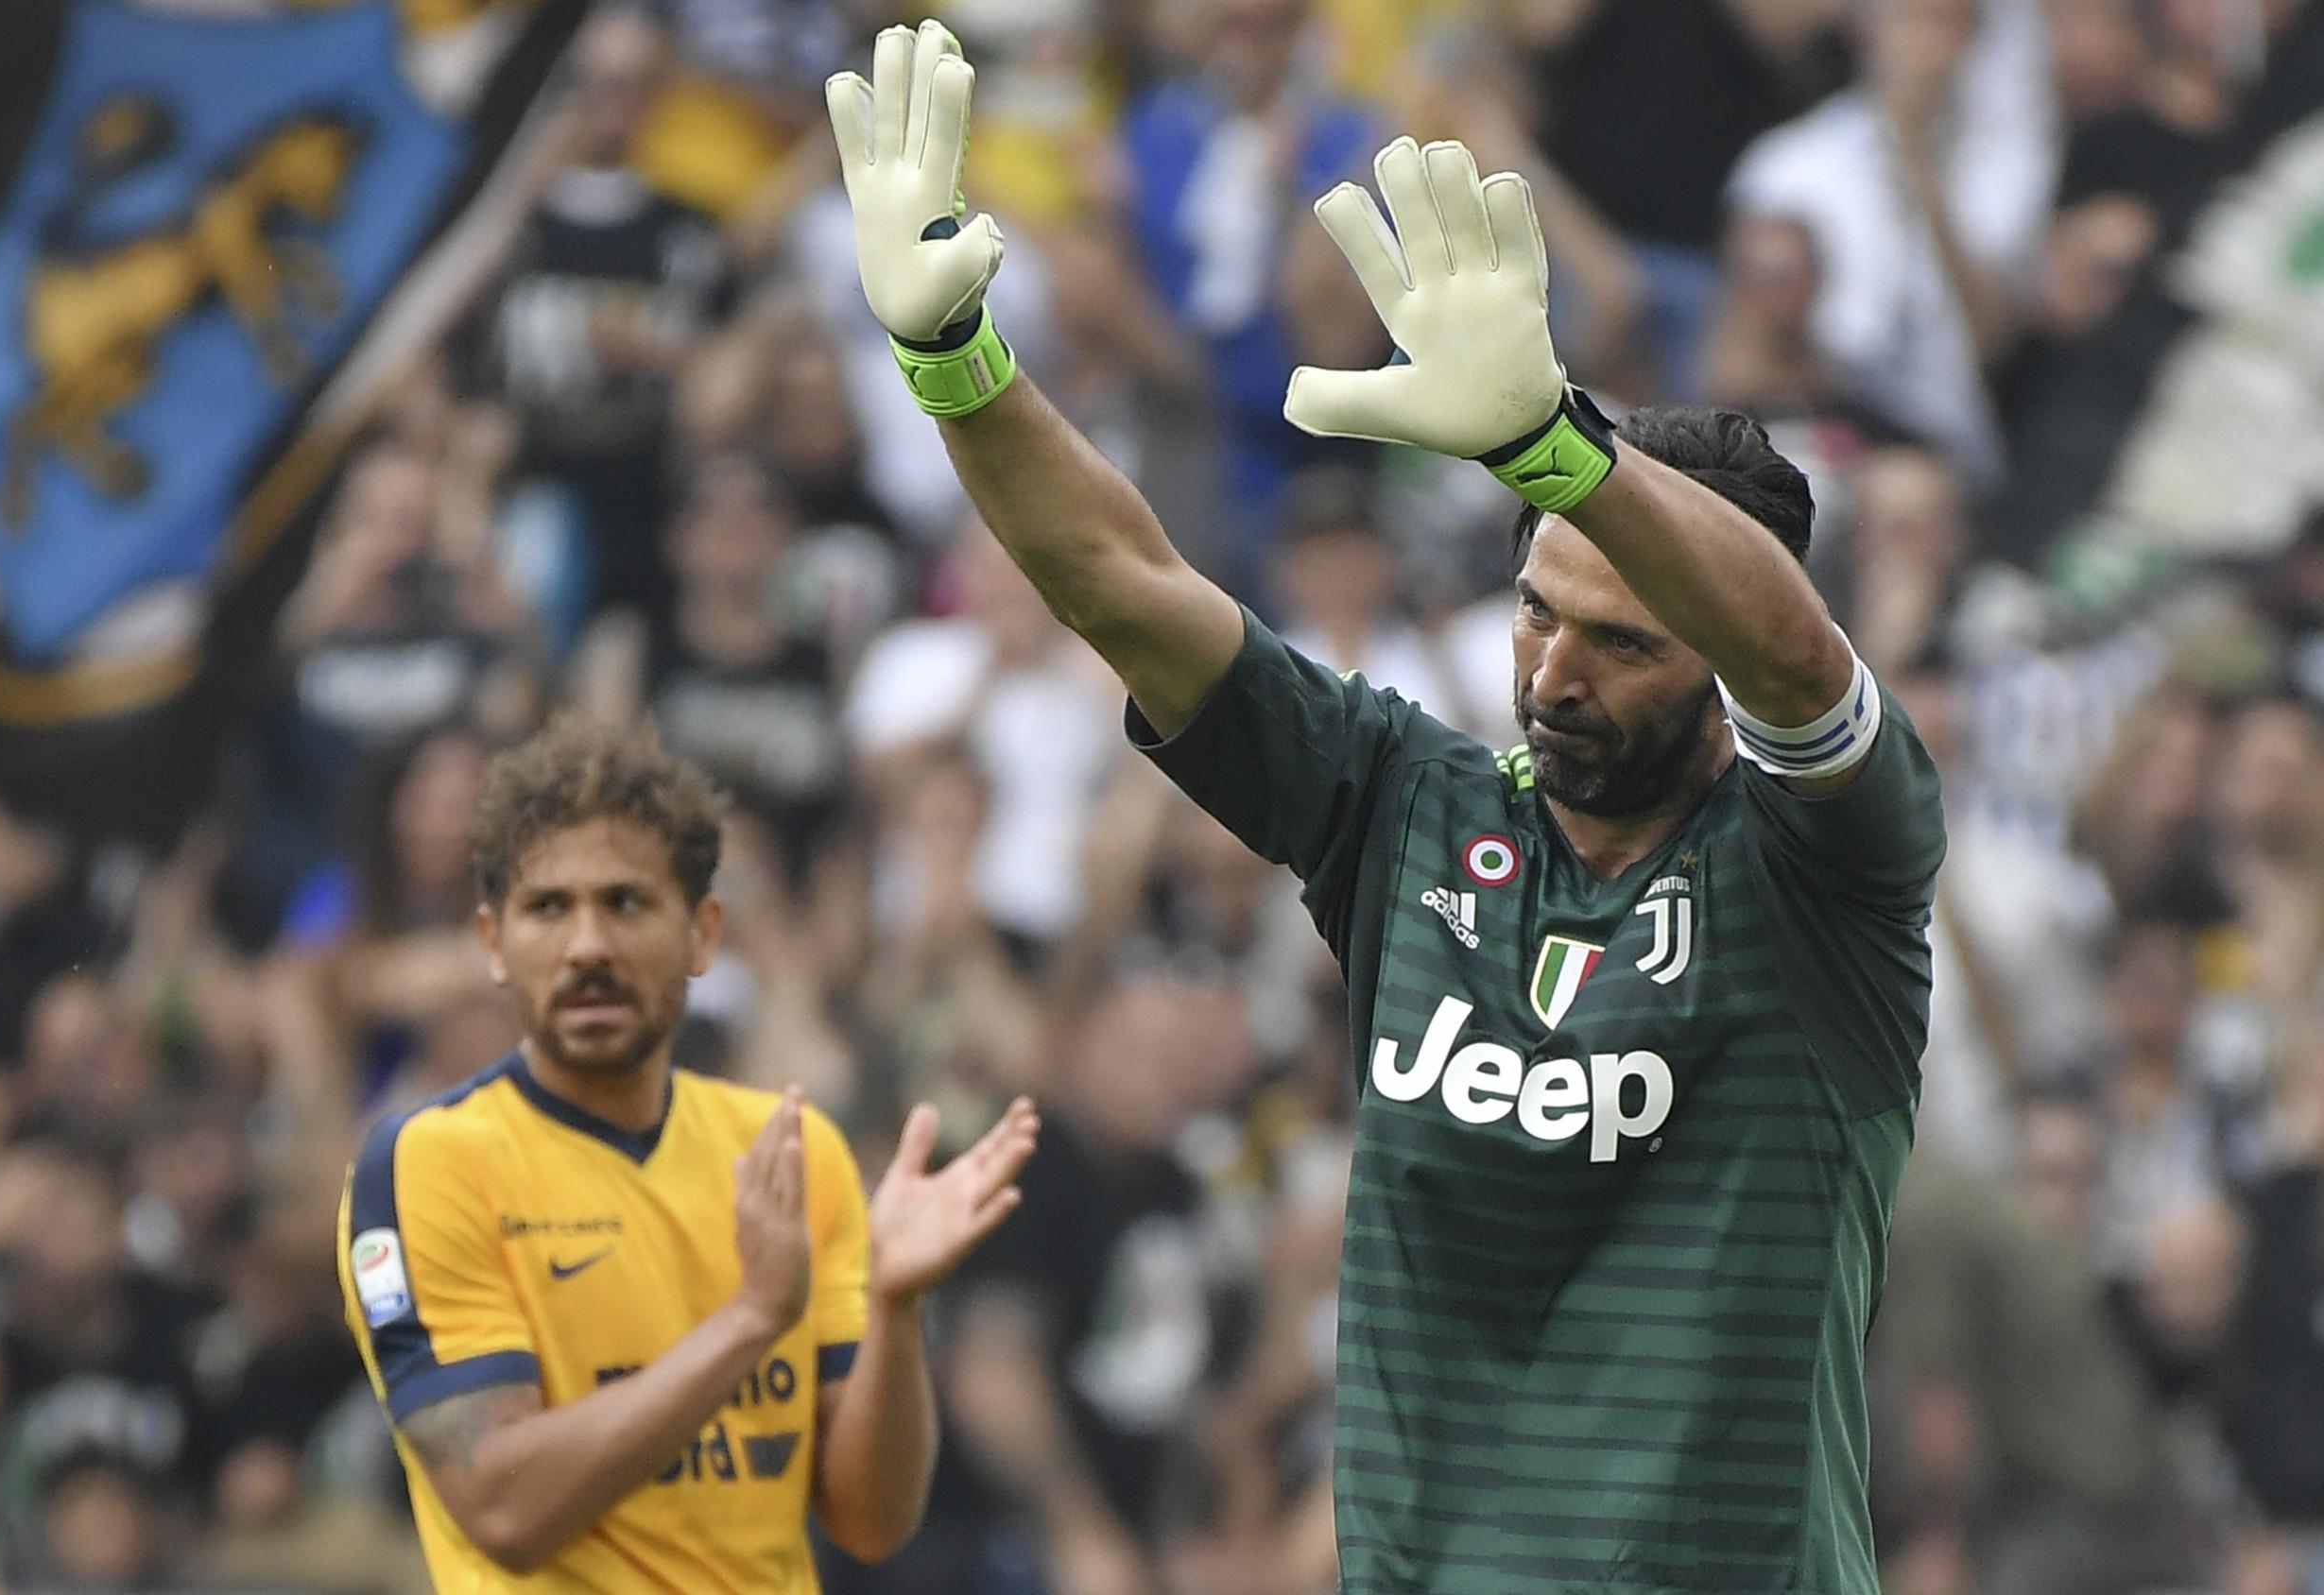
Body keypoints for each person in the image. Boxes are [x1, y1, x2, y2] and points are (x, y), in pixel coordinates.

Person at [827, 22, 1944, 1591]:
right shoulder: (1406, 812)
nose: (1553, 670)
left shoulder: (1829, 872)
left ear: (1715, 666)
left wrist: (1561, 449)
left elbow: (1797, 655)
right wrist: (961, 368)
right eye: (1536, 605)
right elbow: (1124, 579)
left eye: (1622, 641)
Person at [336, 713, 1039, 1591]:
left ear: (704, 934)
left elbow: (871, 1521)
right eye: (548, 908)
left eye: (626, 903)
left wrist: (896, 1310)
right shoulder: (428, 1165)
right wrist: (750, 1321)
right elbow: (502, 1509)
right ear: (494, 945)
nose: (588, 945)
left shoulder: (792, 1151)